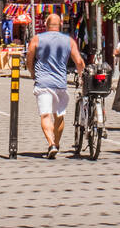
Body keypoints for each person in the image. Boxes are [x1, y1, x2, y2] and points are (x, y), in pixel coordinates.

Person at [25, 13, 84, 158]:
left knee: (45, 115)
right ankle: (56, 143)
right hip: (60, 83)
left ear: (46, 24)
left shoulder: (37, 39)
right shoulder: (69, 41)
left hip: (43, 83)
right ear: (61, 23)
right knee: (59, 116)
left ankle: (51, 144)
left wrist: (32, 72)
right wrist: (81, 76)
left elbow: (29, 59)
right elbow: (79, 62)